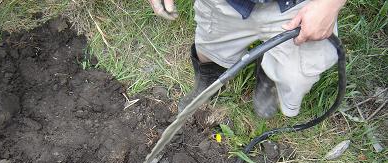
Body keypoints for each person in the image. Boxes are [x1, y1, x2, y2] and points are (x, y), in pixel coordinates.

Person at [148, 0, 346, 118]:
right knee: (210, 49)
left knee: (296, 77)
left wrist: (330, 4)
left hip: (299, 7)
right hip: (227, 3)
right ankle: (209, 80)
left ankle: (270, 77)